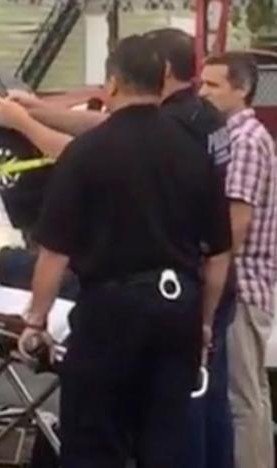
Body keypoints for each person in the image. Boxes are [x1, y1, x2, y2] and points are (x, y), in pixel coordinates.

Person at [18, 35, 232, 468]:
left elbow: (54, 252)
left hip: (111, 314)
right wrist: (205, 322)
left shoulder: (87, 153)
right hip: (178, 310)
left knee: (96, 437)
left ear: (112, 84)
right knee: (166, 439)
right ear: (161, 83)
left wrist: (35, 322)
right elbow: (219, 253)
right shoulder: (192, 152)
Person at [199, 51, 277, 468]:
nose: (203, 93)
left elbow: (236, 225)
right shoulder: (245, 136)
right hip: (251, 281)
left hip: (241, 283)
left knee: (239, 398)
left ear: (241, 89)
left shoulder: (244, 142)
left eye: (213, 85)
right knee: (254, 394)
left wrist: (209, 270)